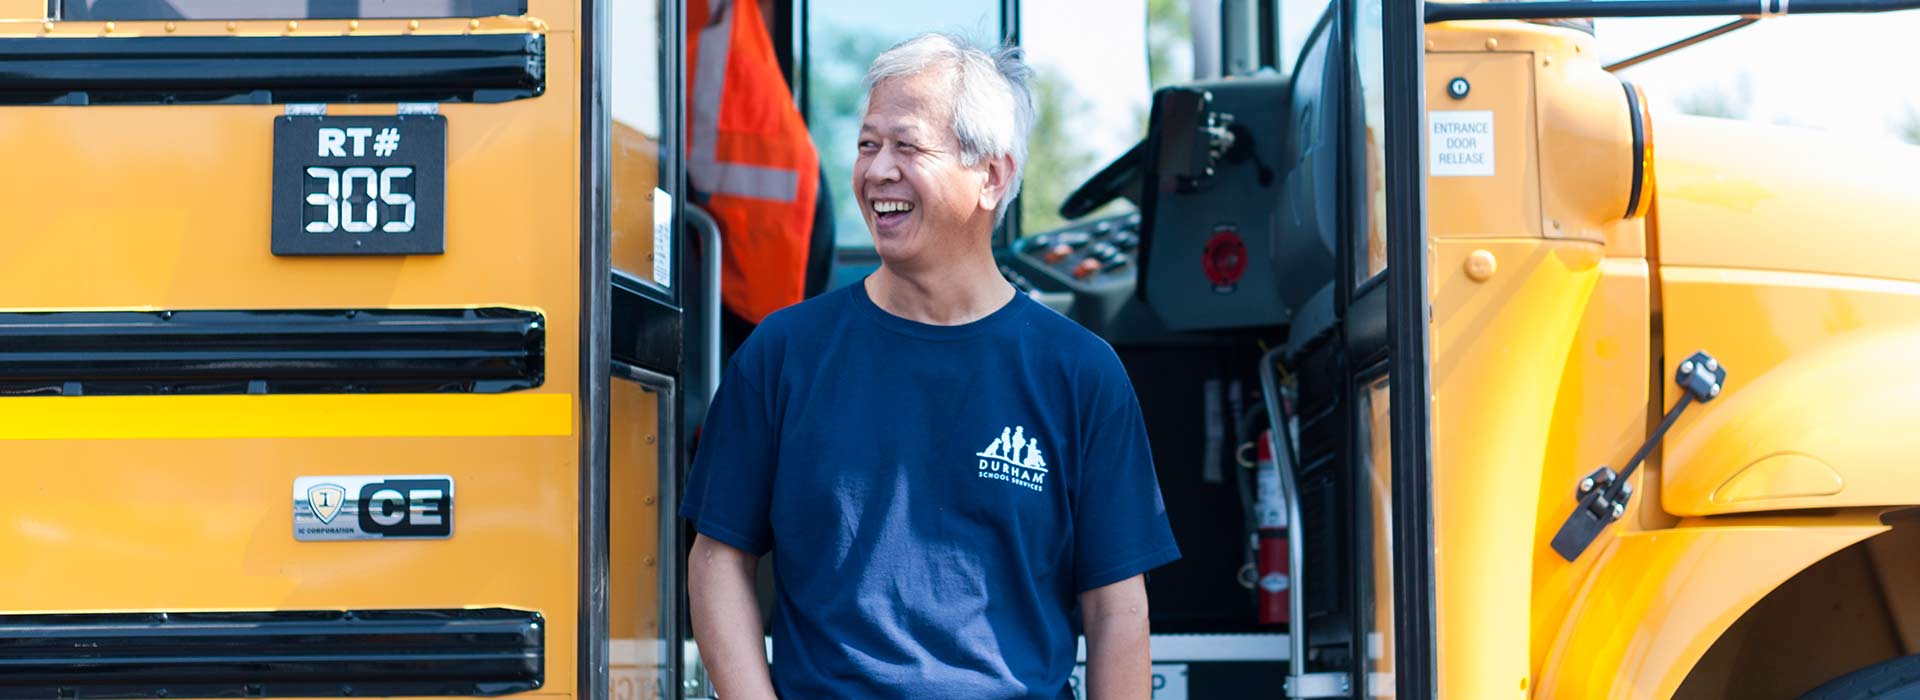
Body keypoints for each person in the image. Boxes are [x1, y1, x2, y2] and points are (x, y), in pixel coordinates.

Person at [681, 32, 1179, 700]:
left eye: (907, 146)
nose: (877, 170)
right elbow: (716, 559)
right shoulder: (782, 354)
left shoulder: (1081, 373)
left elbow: (1117, 607)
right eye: (866, 144)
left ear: (992, 177)